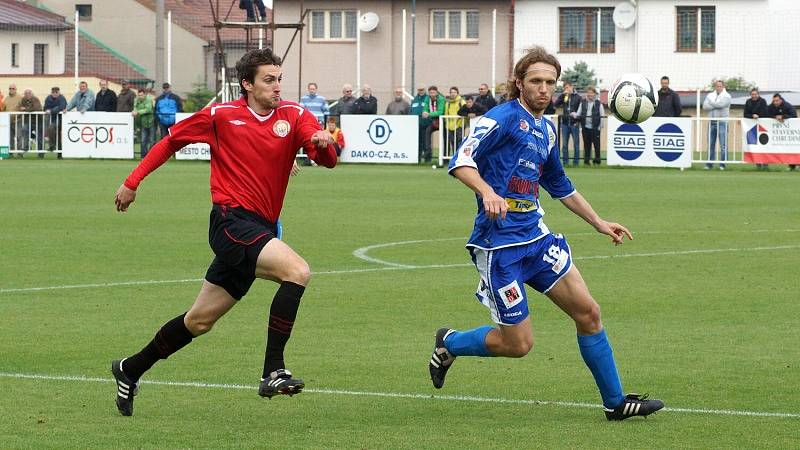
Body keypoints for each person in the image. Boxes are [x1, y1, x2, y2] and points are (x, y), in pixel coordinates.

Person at [431, 45, 664, 422]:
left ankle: (616, 403)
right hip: (500, 248)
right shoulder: (501, 118)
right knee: (518, 345)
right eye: (536, 81)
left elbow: (560, 184)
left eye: (550, 82)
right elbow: (461, 160)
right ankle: (450, 342)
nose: (543, 88)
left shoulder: (547, 128)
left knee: (589, 313)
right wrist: (488, 192)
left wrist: (599, 222)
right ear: (519, 83)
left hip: (537, 242)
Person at [110, 48, 338, 417]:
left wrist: (324, 144)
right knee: (297, 272)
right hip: (230, 223)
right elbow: (171, 142)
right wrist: (132, 182)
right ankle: (273, 370)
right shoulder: (220, 115)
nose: (277, 87)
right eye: (268, 80)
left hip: (259, 228)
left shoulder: (294, 115)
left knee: (199, 321)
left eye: (279, 79)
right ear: (246, 84)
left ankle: (130, 368)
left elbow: (327, 158)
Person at [702, 80, 731, 170]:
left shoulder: (727, 96)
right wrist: (715, 105)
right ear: (715, 87)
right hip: (712, 122)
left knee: (723, 145)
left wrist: (711, 103)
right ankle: (709, 164)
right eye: (717, 86)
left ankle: (723, 164)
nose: (718, 88)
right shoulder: (710, 95)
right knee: (711, 144)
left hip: (722, 122)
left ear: (723, 86)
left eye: (720, 86)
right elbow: (704, 106)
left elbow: (721, 105)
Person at [767, 93, 798, 171]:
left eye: (777, 101)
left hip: (791, 131)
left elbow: (794, 115)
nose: (775, 102)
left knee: (793, 147)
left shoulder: (787, 106)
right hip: (776, 132)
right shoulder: (771, 106)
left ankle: (794, 165)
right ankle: (791, 166)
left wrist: (783, 117)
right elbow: (766, 113)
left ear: (781, 100)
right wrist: (775, 117)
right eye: (774, 101)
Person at [554, 81, 581, 166]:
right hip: (565, 124)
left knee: (576, 144)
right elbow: (556, 104)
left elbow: (581, 111)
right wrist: (562, 95)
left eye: (568, 87)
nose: (566, 89)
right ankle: (565, 162)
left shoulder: (578, 97)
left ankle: (576, 163)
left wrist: (578, 121)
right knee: (564, 145)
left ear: (572, 87)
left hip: (574, 124)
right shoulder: (564, 96)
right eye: (565, 88)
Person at [576, 86, 604, 166]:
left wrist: (600, 127)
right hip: (585, 128)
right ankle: (586, 162)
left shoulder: (599, 103)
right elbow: (578, 114)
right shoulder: (583, 103)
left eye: (591, 93)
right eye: (588, 93)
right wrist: (574, 115)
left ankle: (597, 162)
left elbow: (602, 115)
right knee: (586, 146)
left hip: (595, 128)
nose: (590, 94)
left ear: (595, 94)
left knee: (596, 145)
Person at [744, 88, 769, 170]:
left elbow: (765, 113)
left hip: (763, 127)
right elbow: (745, 114)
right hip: (752, 128)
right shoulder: (748, 102)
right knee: (755, 145)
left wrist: (758, 115)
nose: (754, 96)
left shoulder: (763, 101)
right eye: (752, 94)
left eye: (755, 94)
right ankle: (758, 163)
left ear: (758, 94)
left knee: (764, 145)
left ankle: (765, 164)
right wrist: (752, 116)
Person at [422, 85, 445, 163]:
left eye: (433, 92)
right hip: (433, 121)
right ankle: (428, 153)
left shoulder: (441, 99)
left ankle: (444, 158)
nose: (432, 94)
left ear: (436, 92)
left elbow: (440, 111)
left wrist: (429, 114)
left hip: (442, 121)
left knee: (444, 138)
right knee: (427, 132)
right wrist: (424, 112)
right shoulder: (427, 98)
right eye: (430, 93)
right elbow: (425, 108)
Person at [17, 89, 44, 154]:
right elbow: (20, 107)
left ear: (32, 94)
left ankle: (41, 152)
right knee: (24, 129)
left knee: (39, 137)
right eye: (25, 93)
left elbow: (37, 108)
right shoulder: (23, 99)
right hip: (28, 121)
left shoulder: (35, 99)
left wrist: (26, 109)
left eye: (29, 93)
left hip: (38, 121)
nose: (27, 95)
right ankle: (26, 146)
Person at [43, 87, 67, 158]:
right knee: (57, 136)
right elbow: (45, 107)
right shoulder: (48, 98)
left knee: (52, 130)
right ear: (51, 92)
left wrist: (51, 110)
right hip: (52, 119)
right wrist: (48, 109)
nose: (55, 93)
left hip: (61, 119)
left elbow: (61, 107)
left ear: (59, 92)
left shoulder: (62, 98)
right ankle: (59, 154)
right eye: (53, 92)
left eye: (56, 92)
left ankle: (52, 146)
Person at [132, 89, 155, 158]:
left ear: (145, 95)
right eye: (139, 95)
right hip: (142, 123)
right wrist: (134, 111)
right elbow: (135, 107)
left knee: (152, 141)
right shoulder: (136, 100)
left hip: (151, 122)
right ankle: (143, 156)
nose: (140, 96)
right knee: (143, 141)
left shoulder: (149, 99)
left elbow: (148, 109)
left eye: (141, 95)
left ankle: (152, 156)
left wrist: (138, 112)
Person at [443, 87, 466, 156]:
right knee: (452, 142)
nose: (452, 94)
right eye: (451, 92)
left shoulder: (461, 102)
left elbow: (464, 112)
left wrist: (462, 124)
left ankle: (460, 157)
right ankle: (455, 157)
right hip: (450, 126)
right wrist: (447, 124)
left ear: (457, 93)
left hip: (459, 125)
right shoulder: (448, 103)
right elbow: (446, 114)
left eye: (454, 92)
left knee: (459, 142)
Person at [410, 86, 429, 162]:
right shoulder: (415, 99)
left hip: (425, 124)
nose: (420, 91)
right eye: (419, 90)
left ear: (425, 90)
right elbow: (411, 110)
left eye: (422, 90)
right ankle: (418, 159)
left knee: (426, 143)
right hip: (416, 125)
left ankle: (427, 160)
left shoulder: (427, 98)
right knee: (417, 143)